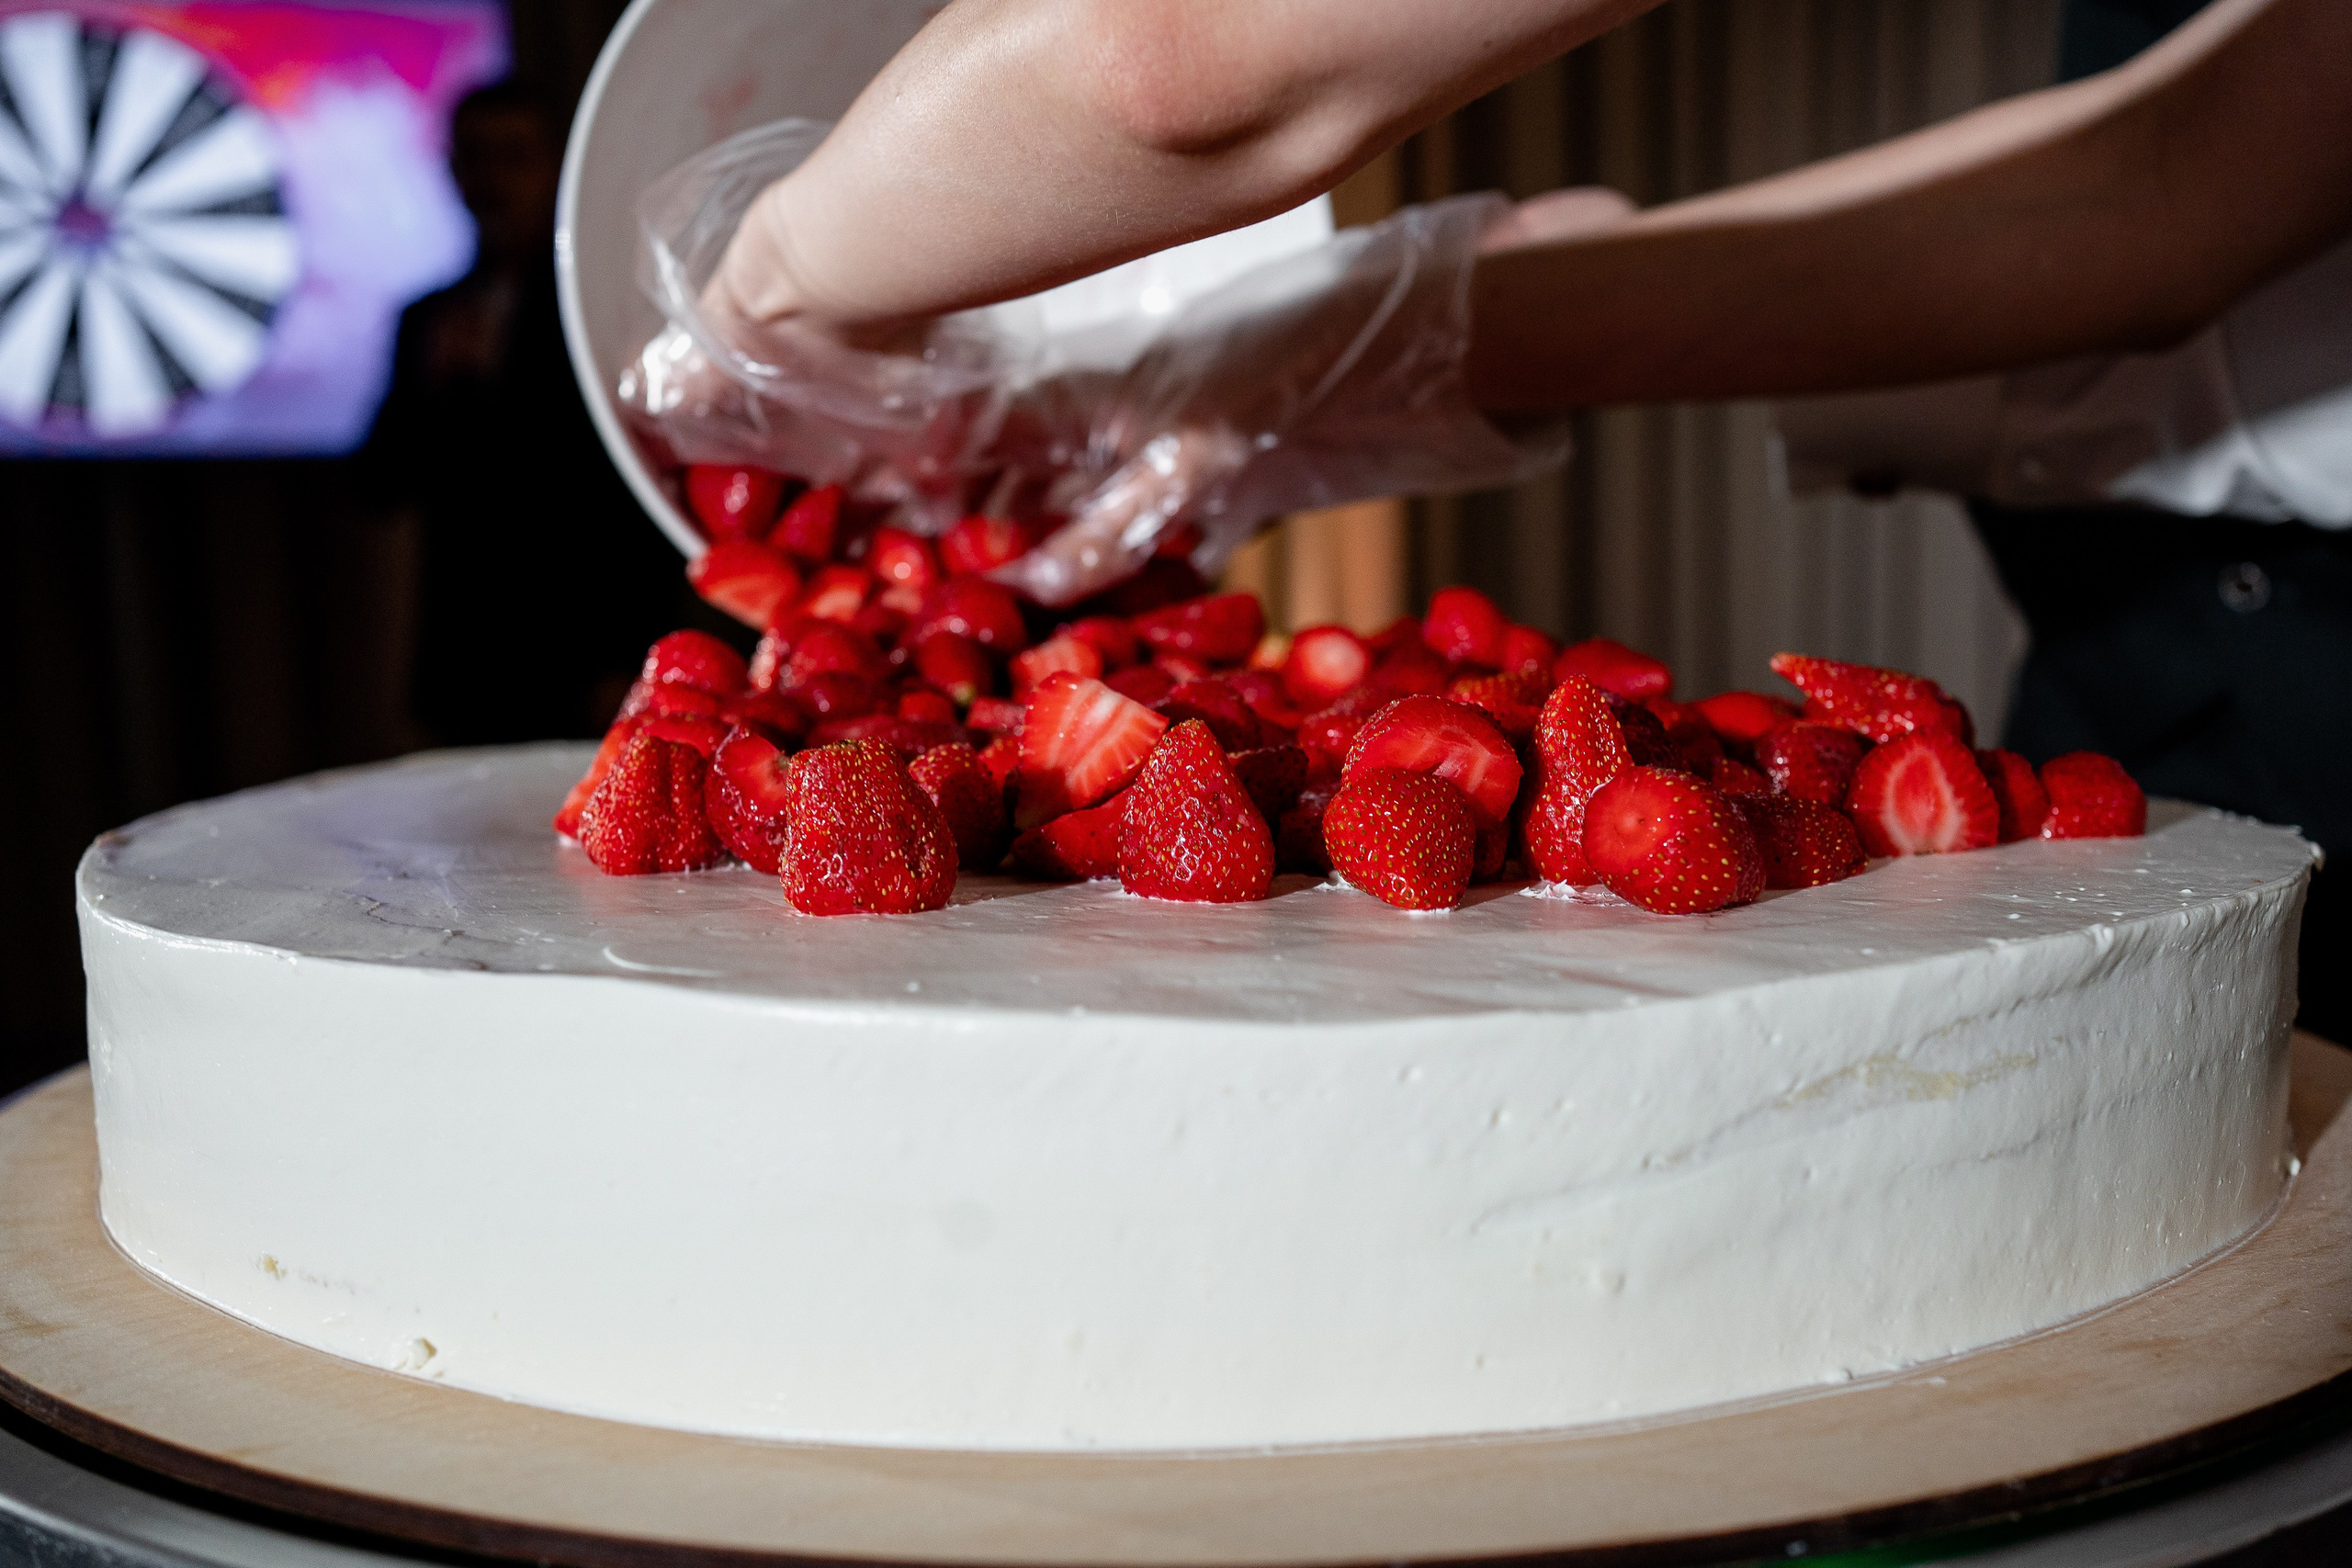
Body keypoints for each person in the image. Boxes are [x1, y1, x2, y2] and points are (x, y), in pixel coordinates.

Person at [690, 0, 2348, 1036]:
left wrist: (768, 284)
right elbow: (2151, 187)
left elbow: (1166, 60)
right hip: (2177, 640)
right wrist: (1423, 330)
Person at [367, 82, 693, 745]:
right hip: (467, 665)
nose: (493, 180)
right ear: (453, 169)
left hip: (581, 655)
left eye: (514, 157)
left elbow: (638, 488)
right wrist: (433, 385)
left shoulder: (608, 313)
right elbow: (377, 482)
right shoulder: (428, 318)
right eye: (476, 158)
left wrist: (630, 653)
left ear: (554, 166)